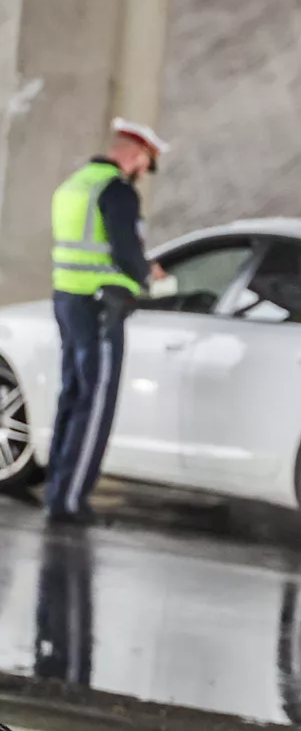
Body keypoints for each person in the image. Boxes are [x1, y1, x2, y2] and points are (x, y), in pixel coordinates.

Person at [45, 118, 170, 524]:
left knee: (73, 395)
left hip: (68, 298)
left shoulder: (74, 184)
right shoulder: (116, 191)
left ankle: (57, 492)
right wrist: (148, 276)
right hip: (102, 305)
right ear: (135, 155)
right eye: (144, 165)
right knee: (95, 402)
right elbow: (125, 250)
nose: (141, 174)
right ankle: (72, 498)